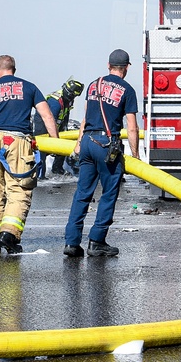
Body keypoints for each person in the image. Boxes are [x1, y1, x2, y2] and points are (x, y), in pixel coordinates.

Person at [0, 55, 59, 254]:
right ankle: (9, 234)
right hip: (18, 143)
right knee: (19, 190)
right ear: (14, 69)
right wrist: (55, 142)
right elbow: (46, 115)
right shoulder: (29, 88)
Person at [64, 49, 139, 258]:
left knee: (82, 194)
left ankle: (72, 242)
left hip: (87, 141)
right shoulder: (127, 90)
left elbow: (86, 118)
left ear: (108, 65)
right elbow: (132, 127)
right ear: (127, 68)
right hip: (107, 145)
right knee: (108, 193)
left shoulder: (93, 85)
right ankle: (97, 241)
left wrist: (78, 145)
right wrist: (136, 157)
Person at [33, 77, 84, 178]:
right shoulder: (55, 102)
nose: (74, 98)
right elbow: (50, 119)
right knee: (41, 149)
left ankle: (57, 169)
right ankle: (40, 175)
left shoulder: (67, 100)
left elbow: (65, 115)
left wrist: (64, 130)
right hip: (43, 124)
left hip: (57, 124)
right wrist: (55, 141)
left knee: (63, 143)